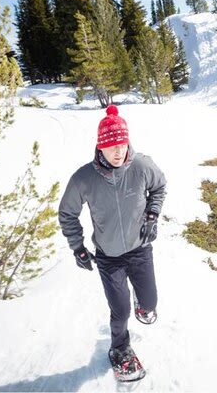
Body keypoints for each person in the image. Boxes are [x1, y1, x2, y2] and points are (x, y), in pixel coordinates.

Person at [59, 104, 166, 381]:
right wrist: (78, 248)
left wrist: (152, 215)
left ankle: (143, 301)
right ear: (100, 147)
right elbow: (67, 212)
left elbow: (159, 186)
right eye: (112, 146)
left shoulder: (142, 165)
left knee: (150, 302)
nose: (119, 151)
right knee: (120, 311)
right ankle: (119, 349)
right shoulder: (84, 178)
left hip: (140, 249)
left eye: (122, 143)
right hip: (109, 257)